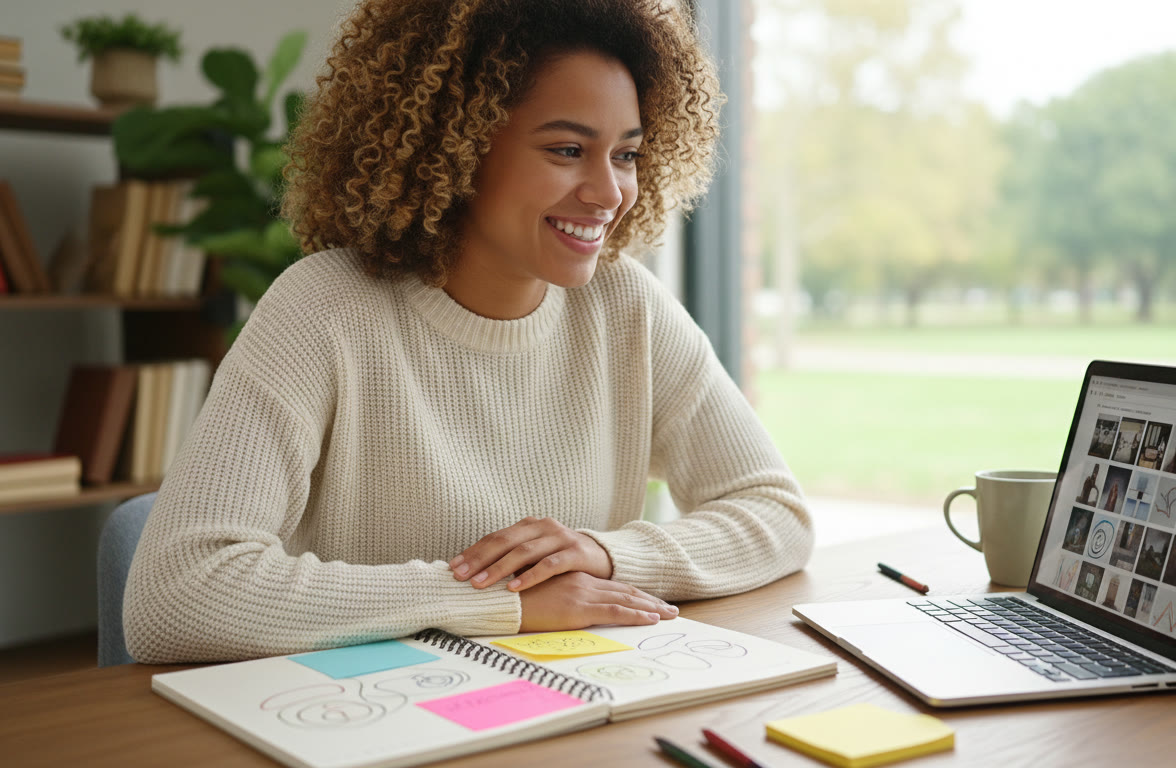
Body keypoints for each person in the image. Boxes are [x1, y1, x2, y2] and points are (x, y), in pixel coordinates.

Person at [123, 0, 813, 664]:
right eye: (569, 149)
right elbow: (174, 597)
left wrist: (605, 556)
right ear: (451, 147)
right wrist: (499, 599)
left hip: (567, 705)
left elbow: (774, 511)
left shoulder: (624, 305)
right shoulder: (323, 310)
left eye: (626, 155)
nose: (608, 193)